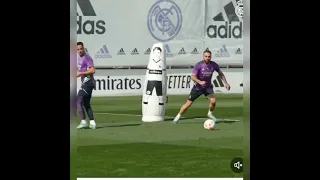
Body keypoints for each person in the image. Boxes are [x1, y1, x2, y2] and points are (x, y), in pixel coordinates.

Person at [172, 50, 230, 124]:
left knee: (213, 101)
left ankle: (210, 114)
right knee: (188, 104)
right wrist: (200, 82)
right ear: (203, 57)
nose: (207, 58)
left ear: (211, 57)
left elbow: (220, 74)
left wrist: (226, 83)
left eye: (209, 56)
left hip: (208, 87)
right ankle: (177, 117)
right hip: (198, 87)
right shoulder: (199, 65)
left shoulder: (214, 65)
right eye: (206, 56)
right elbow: (193, 77)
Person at [76, 42, 97, 129]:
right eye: (78, 49)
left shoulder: (87, 58)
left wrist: (81, 73)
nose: (80, 51)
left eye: (81, 49)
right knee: (86, 103)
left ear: (83, 48)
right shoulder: (78, 59)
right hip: (87, 83)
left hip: (88, 83)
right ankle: (92, 123)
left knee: (78, 101)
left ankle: (83, 121)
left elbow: (92, 70)